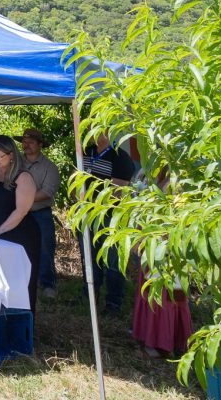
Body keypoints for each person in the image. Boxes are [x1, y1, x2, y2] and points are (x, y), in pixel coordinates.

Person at [0, 135, 42, 312]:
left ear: (11, 154)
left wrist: (0, 230)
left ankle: (21, 319)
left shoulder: (23, 177)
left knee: (19, 281)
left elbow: (21, 211)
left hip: (18, 235)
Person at [82, 132, 136, 316]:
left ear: (107, 131)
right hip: (85, 214)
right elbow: (75, 179)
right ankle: (89, 297)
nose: (91, 131)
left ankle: (113, 303)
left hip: (111, 218)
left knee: (113, 262)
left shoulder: (120, 157)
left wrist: (90, 203)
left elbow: (116, 193)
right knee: (90, 258)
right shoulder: (86, 152)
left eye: (96, 127)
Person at [21, 128, 61, 299]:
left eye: (30, 142)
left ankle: (47, 284)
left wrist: (22, 199)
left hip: (40, 213)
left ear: (40, 145)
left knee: (45, 248)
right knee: (18, 246)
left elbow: (47, 192)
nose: (26, 145)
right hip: (18, 212)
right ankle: (22, 281)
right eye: (24, 141)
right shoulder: (16, 163)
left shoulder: (49, 167)